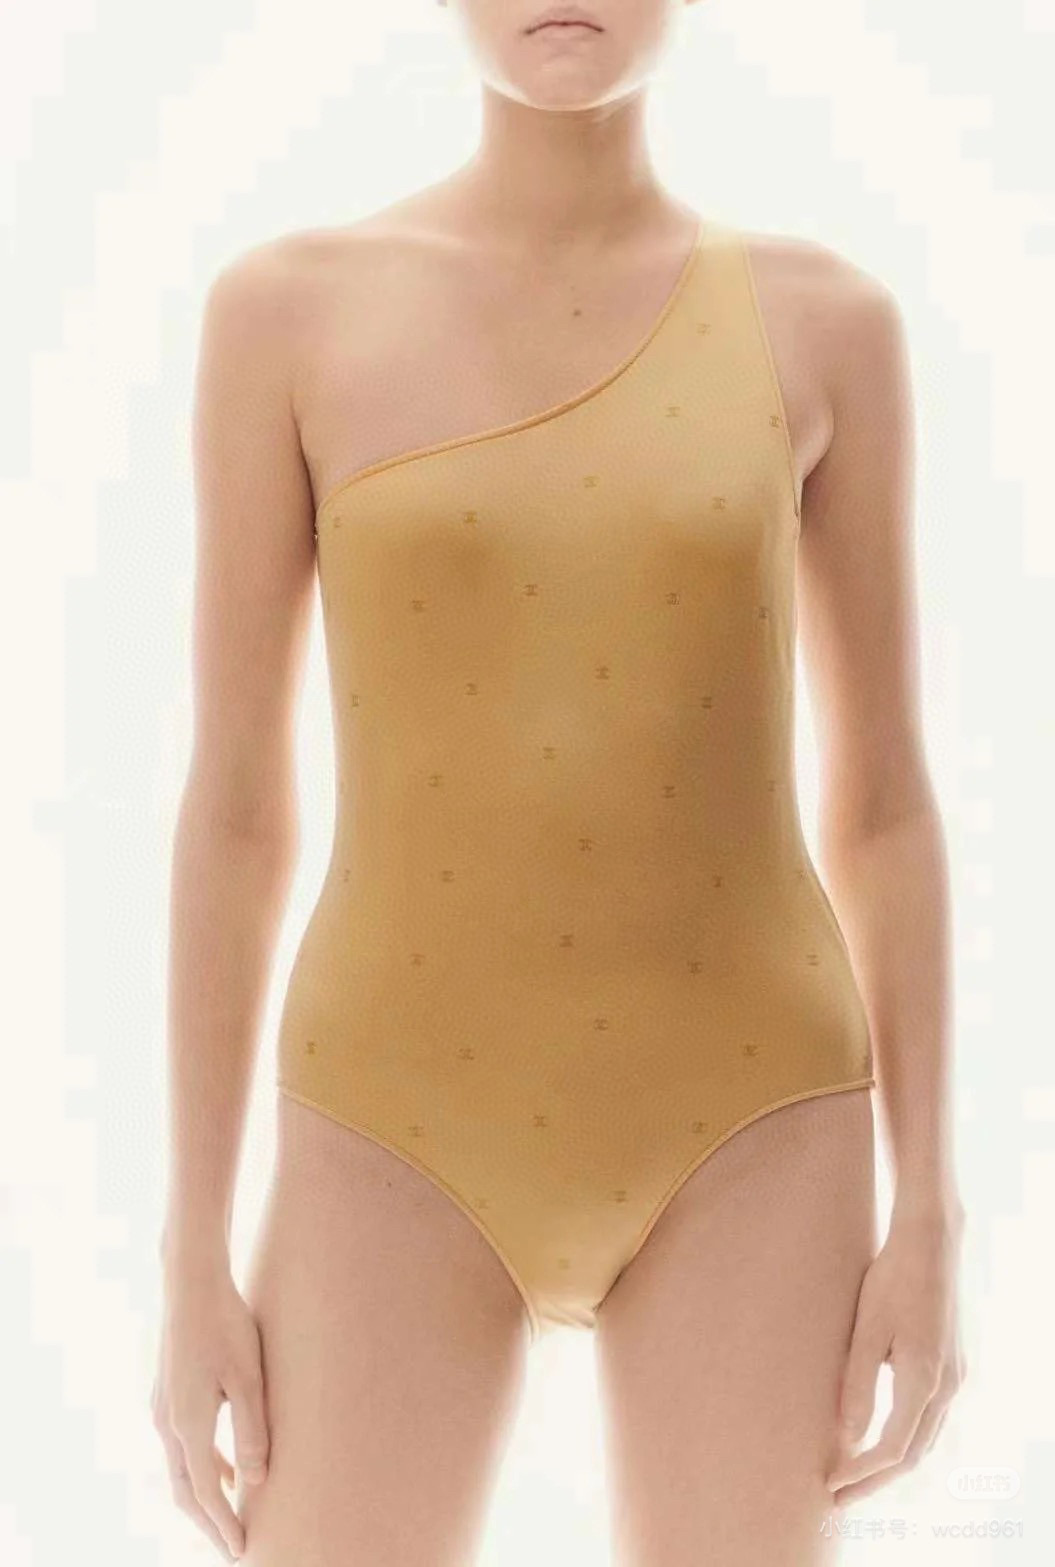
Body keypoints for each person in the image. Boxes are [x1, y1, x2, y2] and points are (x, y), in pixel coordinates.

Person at [149, 2, 967, 1562]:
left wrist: (930, 1211)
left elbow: (884, 804)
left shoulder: (826, 323)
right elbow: (236, 813)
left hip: (754, 1114)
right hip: (391, 1111)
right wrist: (191, 1251)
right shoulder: (288, 316)